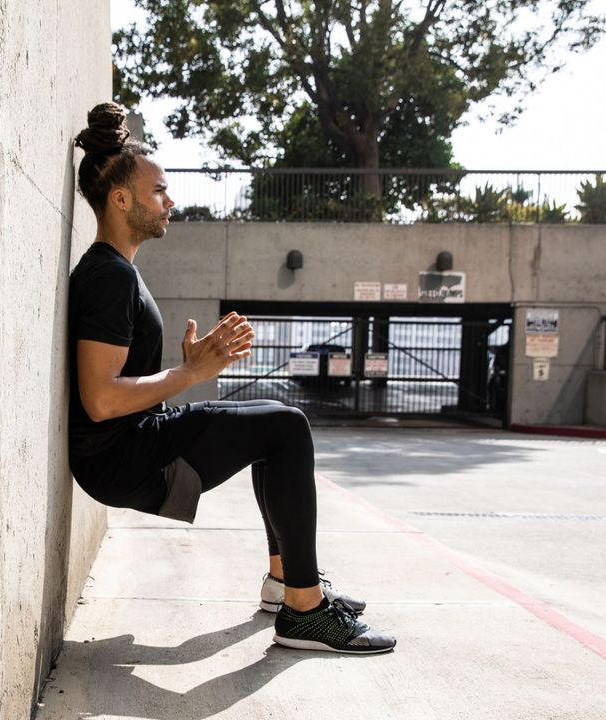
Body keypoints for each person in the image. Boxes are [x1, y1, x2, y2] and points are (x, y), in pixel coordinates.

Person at [66, 102, 396, 654]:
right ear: (120, 199)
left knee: (276, 426)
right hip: (121, 455)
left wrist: (184, 371)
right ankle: (305, 609)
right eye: (158, 193)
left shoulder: (116, 270)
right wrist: (189, 373)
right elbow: (99, 400)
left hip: (131, 444)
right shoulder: (107, 277)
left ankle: (286, 585)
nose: (170, 202)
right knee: (286, 427)